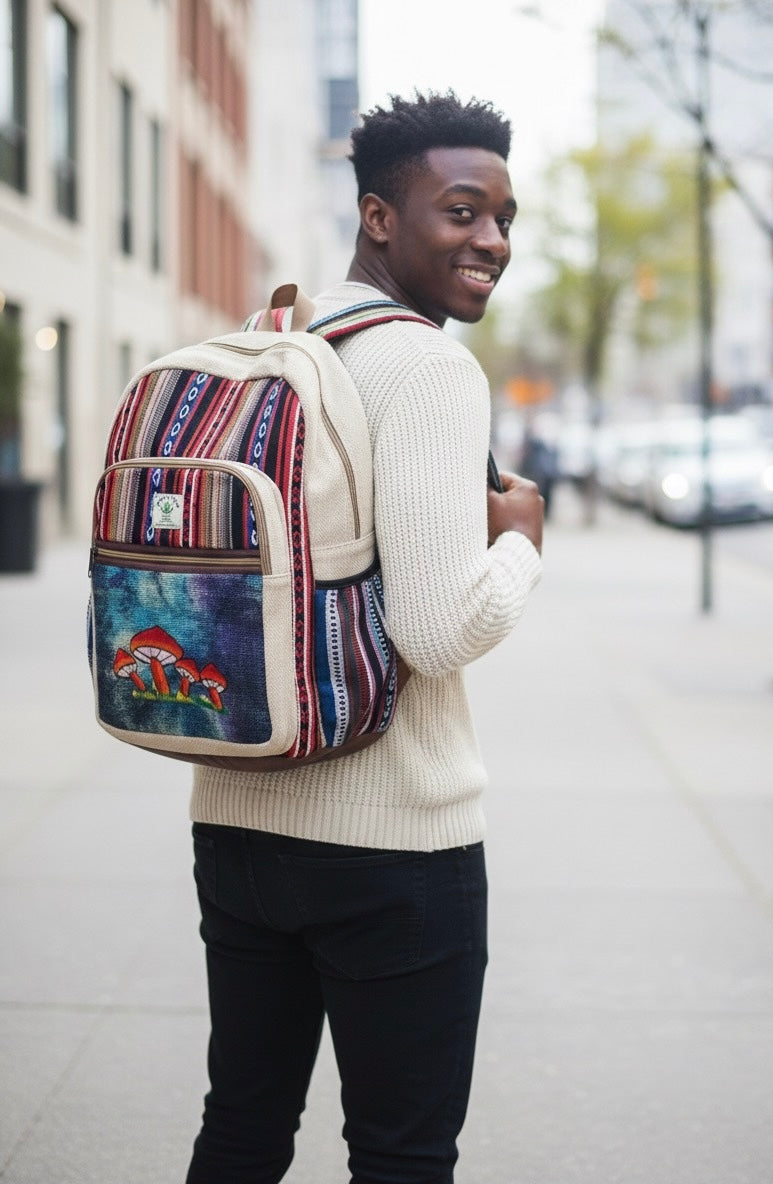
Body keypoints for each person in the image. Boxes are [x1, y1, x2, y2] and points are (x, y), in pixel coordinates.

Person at [185, 91, 544, 1184]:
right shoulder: (427, 369)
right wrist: (524, 542)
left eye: (504, 218)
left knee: (242, 1127)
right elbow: (437, 630)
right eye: (462, 211)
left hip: (237, 818)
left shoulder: (272, 343)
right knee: (400, 1153)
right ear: (379, 215)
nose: (491, 240)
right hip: (395, 847)